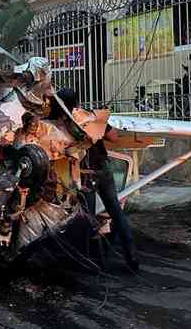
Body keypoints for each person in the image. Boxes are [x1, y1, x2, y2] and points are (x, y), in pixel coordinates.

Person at [53, 87, 140, 272]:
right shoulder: (90, 117)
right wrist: (101, 123)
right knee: (116, 212)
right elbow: (114, 138)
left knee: (88, 218)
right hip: (103, 169)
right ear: (76, 102)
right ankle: (132, 258)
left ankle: (92, 262)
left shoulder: (61, 123)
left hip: (85, 175)